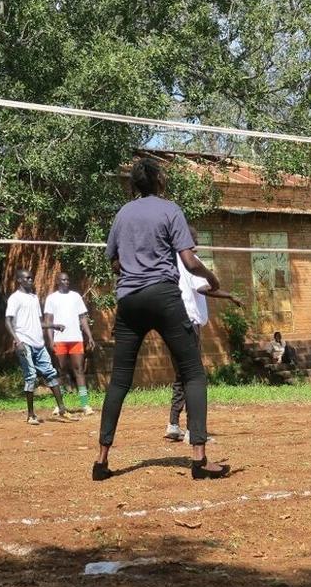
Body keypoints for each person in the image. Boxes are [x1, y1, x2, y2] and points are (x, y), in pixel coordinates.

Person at [94, 157, 230, 480]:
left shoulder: (122, 214)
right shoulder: (170, 210)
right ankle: (199, 460)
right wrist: (212, 278)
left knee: (119, 380)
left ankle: (101, 461)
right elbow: (189, 261)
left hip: (129, 300)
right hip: (164, 297)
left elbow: (114, 262)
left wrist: (134, 268)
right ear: (158, 180)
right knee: (193, 373)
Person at [165, 228, 243, 441]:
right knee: (193, 376)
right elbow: (202, 288)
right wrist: (229, 295)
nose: (197, 244)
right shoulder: (190, 260)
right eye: (194, 240)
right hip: (189, 323)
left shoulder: (168, 260)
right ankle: (193, 430)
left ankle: (173, 425)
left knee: (181, 374)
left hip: (171, 323)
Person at [6, 268, 78, 424]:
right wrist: (17, 341)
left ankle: (62, 410)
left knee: (51, 373)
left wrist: (53, 325)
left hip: (38, 343)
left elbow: (38, 322)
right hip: (24, 342)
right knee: (31, 376)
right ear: (19, 280)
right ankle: (31, 415)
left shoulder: (34, 298)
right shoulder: (15, 298)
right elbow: (8, 321)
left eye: (31, 278)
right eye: (27, 278)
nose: (30, 280)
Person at [43, 272, 97, 416]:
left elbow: (83, 318)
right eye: (63, 280)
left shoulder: (76, 296)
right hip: (59, 340)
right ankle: (59, 405)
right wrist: (50, 340)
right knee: (60, 371)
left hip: (76, 339)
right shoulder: (51, 298)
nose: (66, 282)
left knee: (79, 370)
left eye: (67, 280)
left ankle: (85, 404)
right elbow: (48, 321)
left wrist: (89, 336)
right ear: (57, 281)